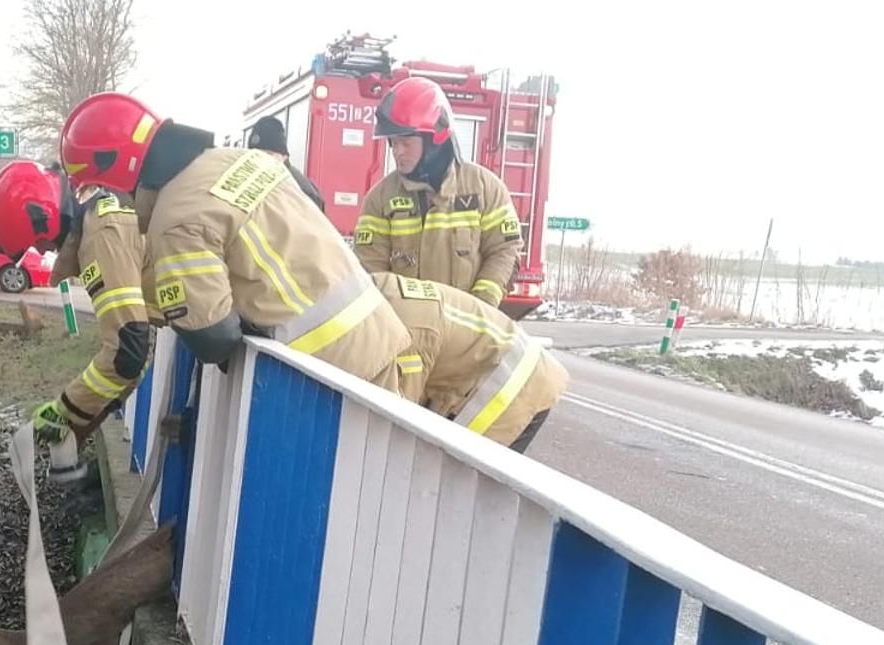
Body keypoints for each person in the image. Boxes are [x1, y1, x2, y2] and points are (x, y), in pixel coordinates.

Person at [59, 92, 411, 390]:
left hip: (332, 376)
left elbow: (213, 338)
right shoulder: (241, 160)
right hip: (385, 338)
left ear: (118, 171)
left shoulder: (175, 220)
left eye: (97, 186)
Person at [0, 160, 151, 434]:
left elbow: (128, 349)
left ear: (42, 224)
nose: (42, 251)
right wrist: (93, 413)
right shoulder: (100, 217)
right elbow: (136, 351)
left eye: (37, 244)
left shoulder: (100, 240)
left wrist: (64, 412)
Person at [353, 77, 521, 307]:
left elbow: (504, 251)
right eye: (393, 143)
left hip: (467, 333)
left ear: (435, 139)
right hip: (406, 333)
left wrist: (481, 309)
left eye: (406, 143)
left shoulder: (485, 189)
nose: (397, 151)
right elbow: (370, 270)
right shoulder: (380, 199)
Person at [373, 272, 564, 452]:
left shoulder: (406, 332)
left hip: (517, 384)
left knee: (454, 470)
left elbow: (395, 420)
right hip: (511, 368)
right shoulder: (382, 291)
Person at [246, 116, 325, 211]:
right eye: (256, 155)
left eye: (268, 154)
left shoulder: (301, 191)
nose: (262, 160)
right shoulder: (256, 182)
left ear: (284, 155)